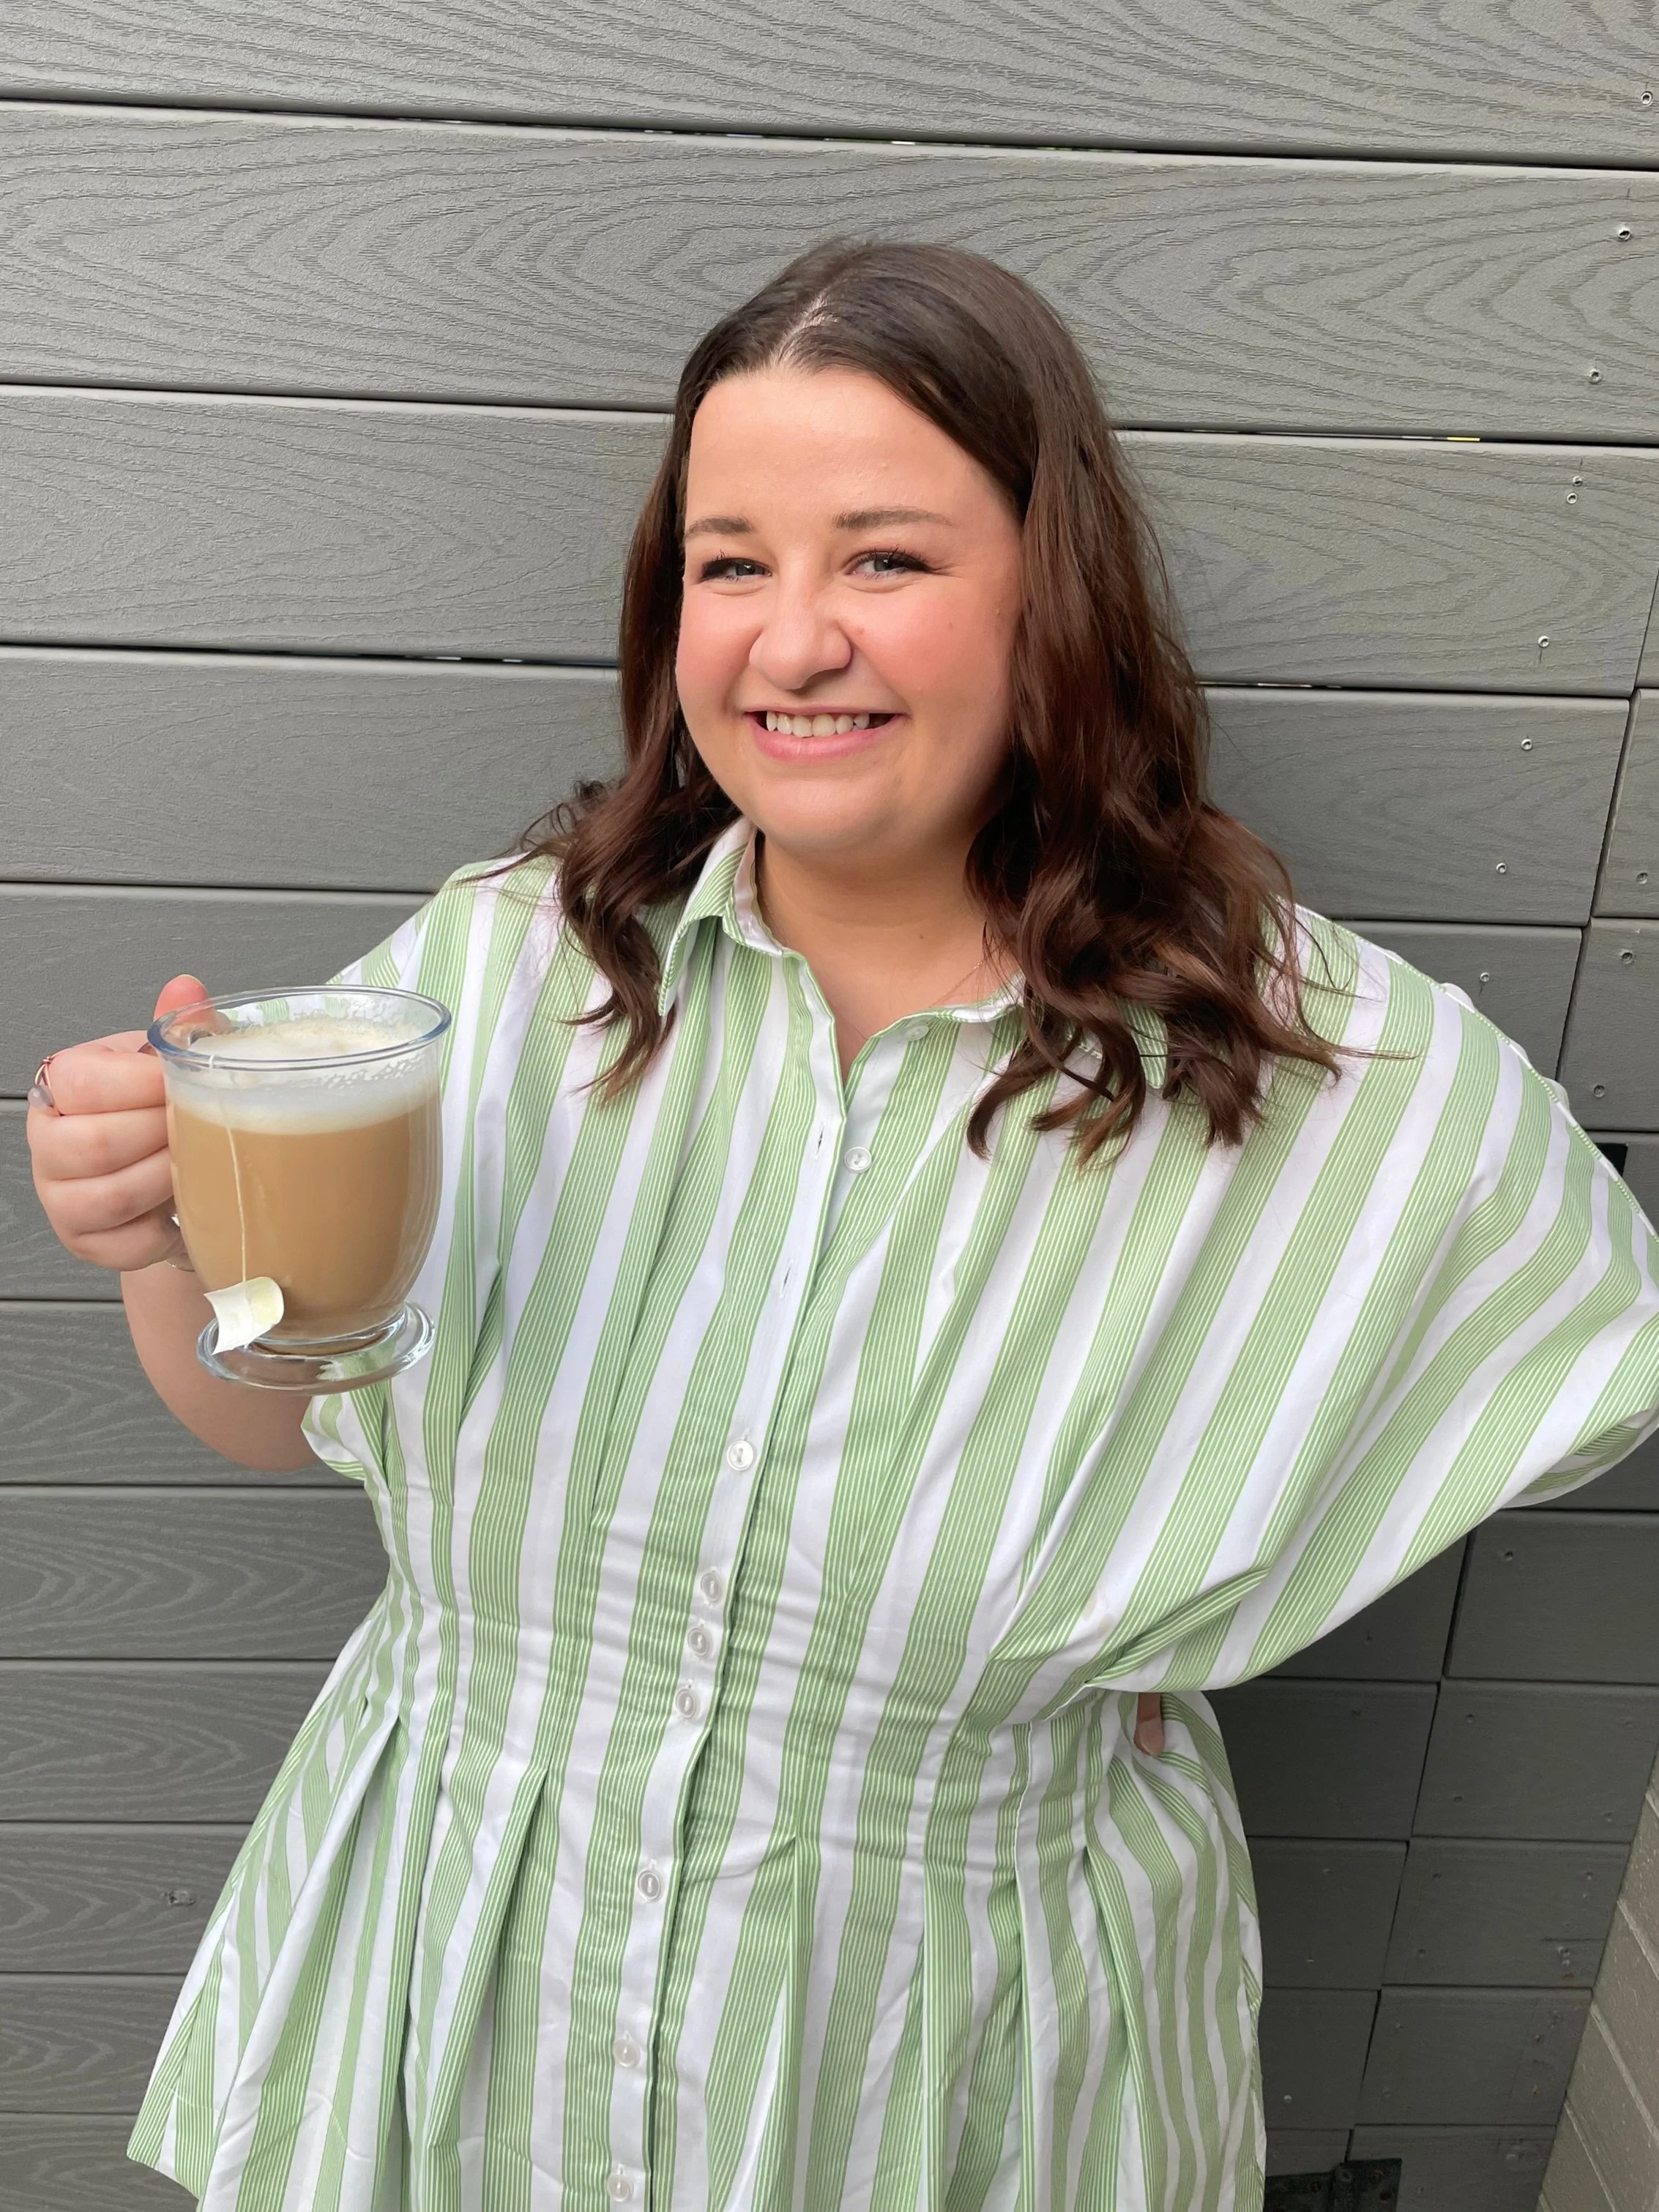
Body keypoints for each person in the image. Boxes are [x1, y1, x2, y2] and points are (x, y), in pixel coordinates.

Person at [29, 240, 1659, 2212]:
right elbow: (299, 1403)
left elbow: (1582, 1325)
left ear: (1052, 597)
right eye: (732, 562)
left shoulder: (1277, 1053)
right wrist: (159, 1252)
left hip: (934, 2056)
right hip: (463, 1984)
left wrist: (1151, 1580)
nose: (793, 639)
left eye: (884, 558)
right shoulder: (504, 969)